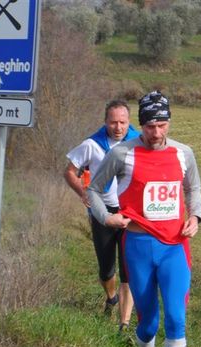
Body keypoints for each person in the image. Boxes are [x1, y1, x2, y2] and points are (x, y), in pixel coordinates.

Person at [87, 91, 201, 347]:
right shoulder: (123, 153)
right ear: (142, 125)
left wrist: (195, 217)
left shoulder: (184, 153)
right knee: (149, 322)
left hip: (174, 248)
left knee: (177, 319)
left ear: (169, 123)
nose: (156, 132)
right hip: (138, 246)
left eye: (162, 124)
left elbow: (194, 190)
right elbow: (94, 189)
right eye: (150, 126)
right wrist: (106, 218)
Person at [64, 99, 141, 331]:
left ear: (129, 122)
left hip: (130, 214)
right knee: (106, 269)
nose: (118, 127)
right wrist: (83, 193)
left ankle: (124, 325)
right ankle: (110, 298)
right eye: (113, 122)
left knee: (128, 271)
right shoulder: (92, 144)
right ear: (105, 122)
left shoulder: (139, 143)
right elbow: (69, 171)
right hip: (102, 213)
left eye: (123, 122)